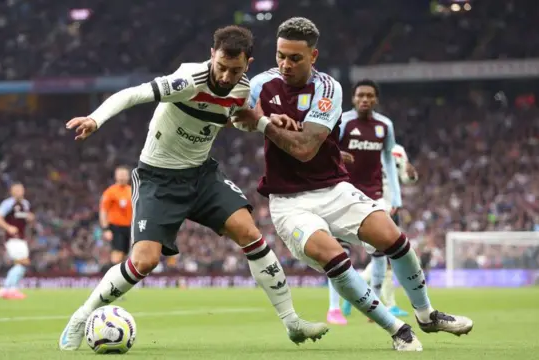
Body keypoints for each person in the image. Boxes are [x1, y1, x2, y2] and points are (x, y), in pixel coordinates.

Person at [58, 25, 328, 351]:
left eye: (236, 69)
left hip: (202, 174)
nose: (227, 76)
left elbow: (238, 119)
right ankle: (82, 316)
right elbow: (131, 94)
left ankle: (292, 322)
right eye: (222, 67)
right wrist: (95, 119)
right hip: (158, 177)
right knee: (144, 261)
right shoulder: (187, 80)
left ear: (248, 63)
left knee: (249, 233)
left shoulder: (242, 89)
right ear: (212, 55)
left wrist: (268, 122)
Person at [234, 17, 473, 351]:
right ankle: (397, 330)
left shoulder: (329, 88)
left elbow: (304, 148)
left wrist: (263, 122)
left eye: (295, 58)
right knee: (334, 257)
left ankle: (426, 313)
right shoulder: (261, 84)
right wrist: (261, 120)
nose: (285, 65)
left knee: (393, 238)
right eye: (280, 56)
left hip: (333, 189)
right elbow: (239, 118)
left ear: (313, 56)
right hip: (289, 201)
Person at [326, 79, 407, 324]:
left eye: (370, 96)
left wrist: (396, 197)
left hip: (375, 196)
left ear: (376, 99)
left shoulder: (384, 125)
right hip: (344, 192)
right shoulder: (344, 122)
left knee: (381, 252)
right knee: (338, 252)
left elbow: (389, 162)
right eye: (360, 95)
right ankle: (334, 308)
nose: (365, 100)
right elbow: (327, 149)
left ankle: (377, 304)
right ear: (353, 98)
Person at [340, 142, 419, 319]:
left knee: (385, 259)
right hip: (372, 206)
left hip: (392, 208)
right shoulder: (363, 146)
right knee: (385, 258)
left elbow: (405, 178)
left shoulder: (398, 151)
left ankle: (381, 302)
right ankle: (380, 303)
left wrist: (411, 175)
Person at [0, 182, 34, 300]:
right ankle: (10, 289)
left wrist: (31, 218)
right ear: (12, 192)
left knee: (22, 263)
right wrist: (8, 227)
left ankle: (7, 289)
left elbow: (26, 219)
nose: (19, 192)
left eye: (21, 189)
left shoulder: (26, 204)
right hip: (12, 238)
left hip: (22, 238)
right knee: (23, 262)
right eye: (16, 190)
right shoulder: (8, 203)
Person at [100, 166, 133, 265]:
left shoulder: (132, 191)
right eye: (120, 175)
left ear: (128, 176)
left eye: (124, 175)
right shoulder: (110, 192)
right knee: (117, 255)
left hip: (129, 227)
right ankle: (112, 277)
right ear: (116, 176)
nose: (122, 177)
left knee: (125, 255)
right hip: (116, 227)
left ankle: (121, 278)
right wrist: (106, 229)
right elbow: (103, 211)